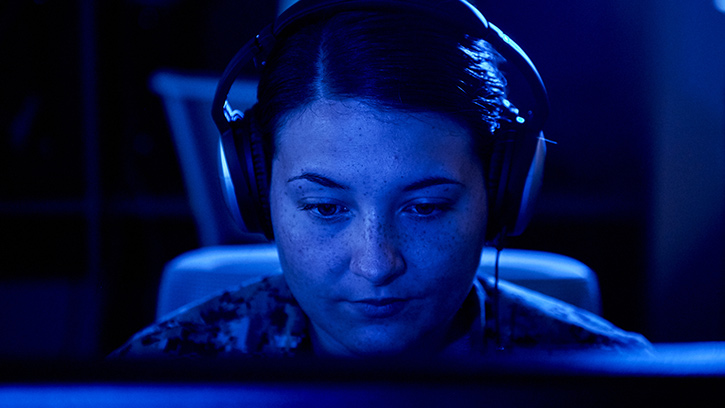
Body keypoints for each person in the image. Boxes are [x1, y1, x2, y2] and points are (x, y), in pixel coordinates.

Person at [111, 0, 651, 359]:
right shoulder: (157, 377)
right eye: (326, 208)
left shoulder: (618, 380)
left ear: (502, 192)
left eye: (425, 207)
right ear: (253, 192)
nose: (376, 265)